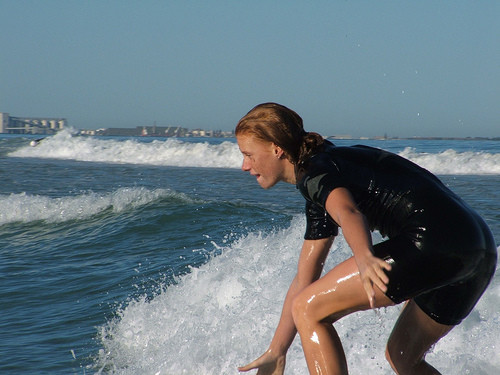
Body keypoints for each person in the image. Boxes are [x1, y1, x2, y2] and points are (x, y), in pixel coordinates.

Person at [235, 102, 497, 375]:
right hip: (479, 248)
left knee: (309, 309)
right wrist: (278, 351)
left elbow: (349, 212)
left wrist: (364, 256)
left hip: (432, 240)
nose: (244, 165)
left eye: (248, 154)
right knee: (402, 355)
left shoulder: (316, 173)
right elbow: (304, 279)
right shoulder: (327, 169)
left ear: (277, 148)